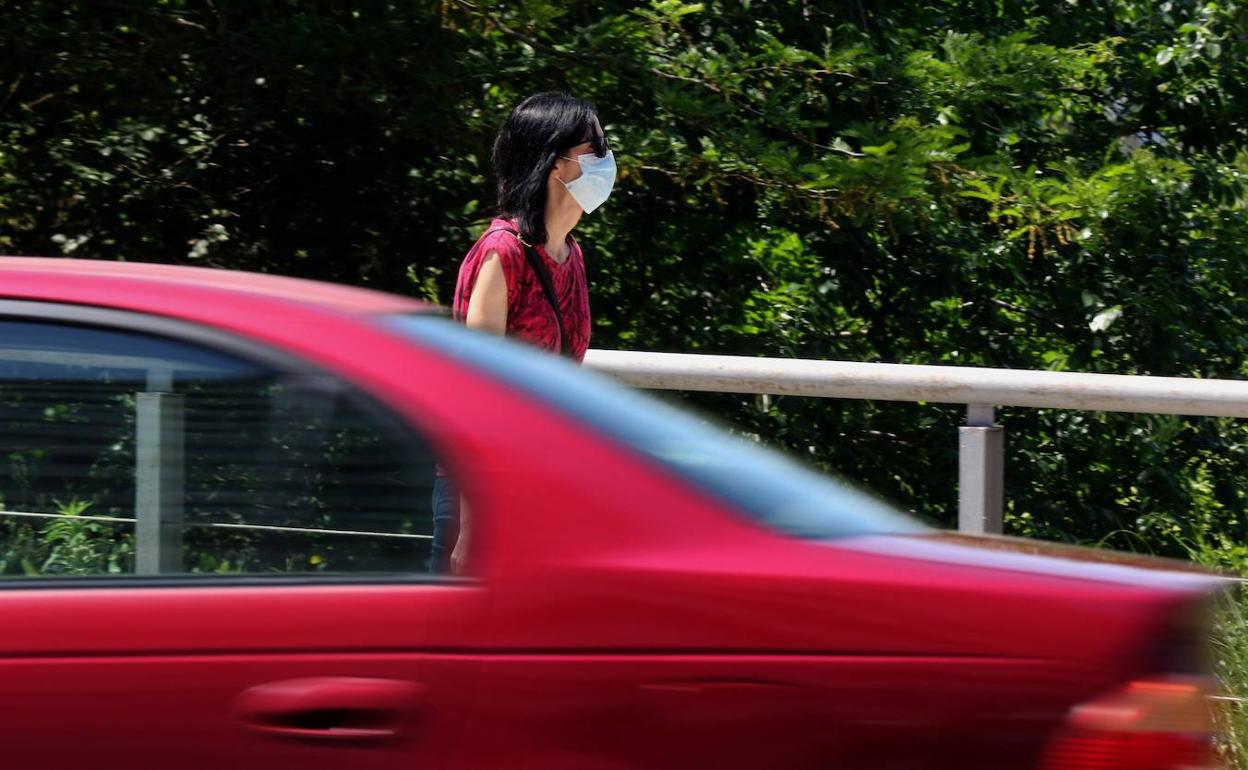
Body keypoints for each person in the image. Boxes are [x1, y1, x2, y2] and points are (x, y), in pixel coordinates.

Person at [429, 92, 616, 574]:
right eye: (595, 147)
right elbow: (476, 395)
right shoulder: (502, 255)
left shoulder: (570, 256)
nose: (608, 160)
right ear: (558, 164)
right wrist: (471, 525)